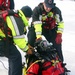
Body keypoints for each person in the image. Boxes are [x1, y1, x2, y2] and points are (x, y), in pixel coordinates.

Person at [0, 5, 32, 75]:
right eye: (28, 18)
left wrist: (26, 45)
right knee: (16, 57)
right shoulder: (17, 20)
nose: (28, 20)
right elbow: (18, 39)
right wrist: (27, 49)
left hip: (2, 39)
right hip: (1, 41)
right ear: (25, 16)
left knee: (13, 55)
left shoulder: (15, 16)